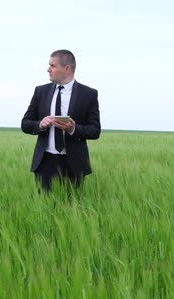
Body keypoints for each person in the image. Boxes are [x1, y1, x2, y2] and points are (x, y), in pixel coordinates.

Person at [21, 49, 101, 192]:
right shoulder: (40, 91)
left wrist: (73, 129)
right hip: (44, 163)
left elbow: (95, 130)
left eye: (52, 66)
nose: (48, 69)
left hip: (74, 164)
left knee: (71, 210)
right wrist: (40, 124)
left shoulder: (89, 94)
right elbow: (25, 124)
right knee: (42, 209)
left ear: (66, 68)